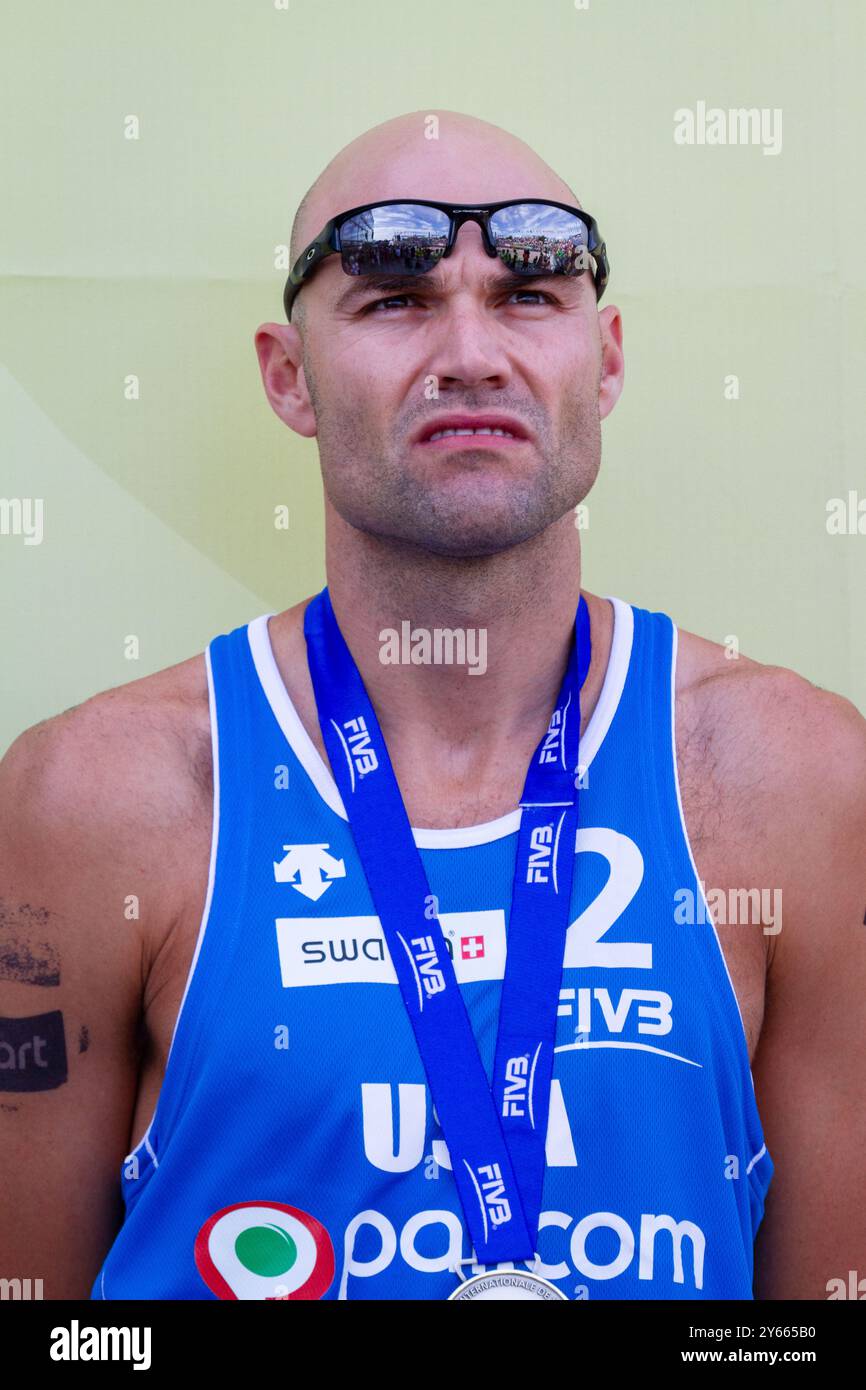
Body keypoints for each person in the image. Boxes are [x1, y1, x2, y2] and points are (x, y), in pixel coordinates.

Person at [1, 109, 864, 1302]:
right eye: (395, 300)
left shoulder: (798, 783)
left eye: (527, 295)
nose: (471, 351)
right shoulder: (96, 800)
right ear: (287, 377)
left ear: (603, 359)